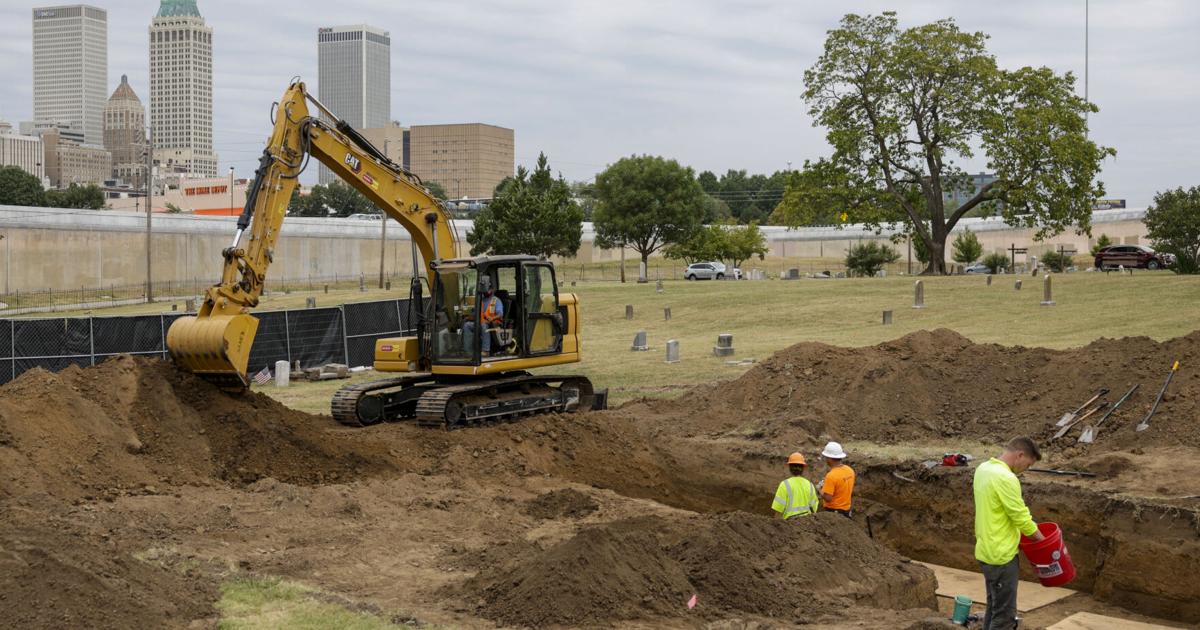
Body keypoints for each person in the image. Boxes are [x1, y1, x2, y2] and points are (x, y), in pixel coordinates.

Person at [974, 436, 1045, 630]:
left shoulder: (984, 469)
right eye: (1028, 464)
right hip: (1001, 557)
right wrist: (1043, 541)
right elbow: (1021, 518)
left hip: (986, 550)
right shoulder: (1006, 478)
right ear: (1020, 455)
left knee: (994, 607)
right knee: (1004, 616)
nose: (1026, 469)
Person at [462, 278, 504, 355]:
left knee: (484, 326)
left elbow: (500, 314)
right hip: (481, 323)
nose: (487, 291)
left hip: (493, 325)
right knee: (467, 325)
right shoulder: (480, 300)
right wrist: (468, 318)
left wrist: (492, 318)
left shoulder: (496, 300)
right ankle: (468, 351)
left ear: (492, 289)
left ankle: (486, 350)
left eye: (489, 289)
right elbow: (476, 315)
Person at [771, 452, 819, 520]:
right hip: (806, 524)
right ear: (803, 468)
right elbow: (814, 509)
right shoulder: (810, 485)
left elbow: (778, 511)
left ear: (790, 467)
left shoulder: (784, 485)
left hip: (789, 525)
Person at [819, 441, 855, 517]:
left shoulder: (831, 476)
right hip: (847, 510)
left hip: (833, 512)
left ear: (829, 458)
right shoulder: (850, 470)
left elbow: (828, 498)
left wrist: (820, 490)